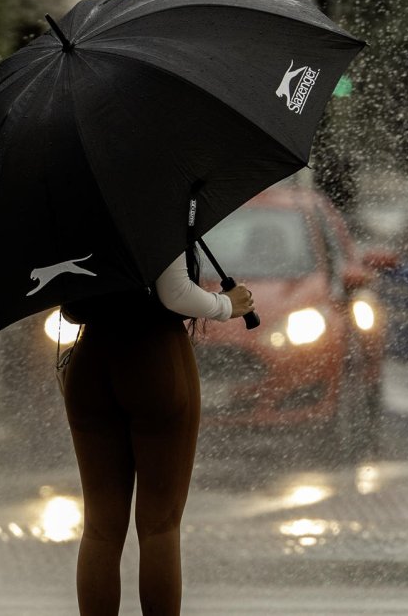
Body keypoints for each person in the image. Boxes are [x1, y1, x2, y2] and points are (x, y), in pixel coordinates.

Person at [59, 248, 253, 616]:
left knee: (100, 527)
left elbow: (69, 304)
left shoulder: (71, 202)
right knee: (159, 525)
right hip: (154, 356)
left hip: (91, 360)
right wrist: (227, 304)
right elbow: (174, 292)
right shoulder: (151, 197)